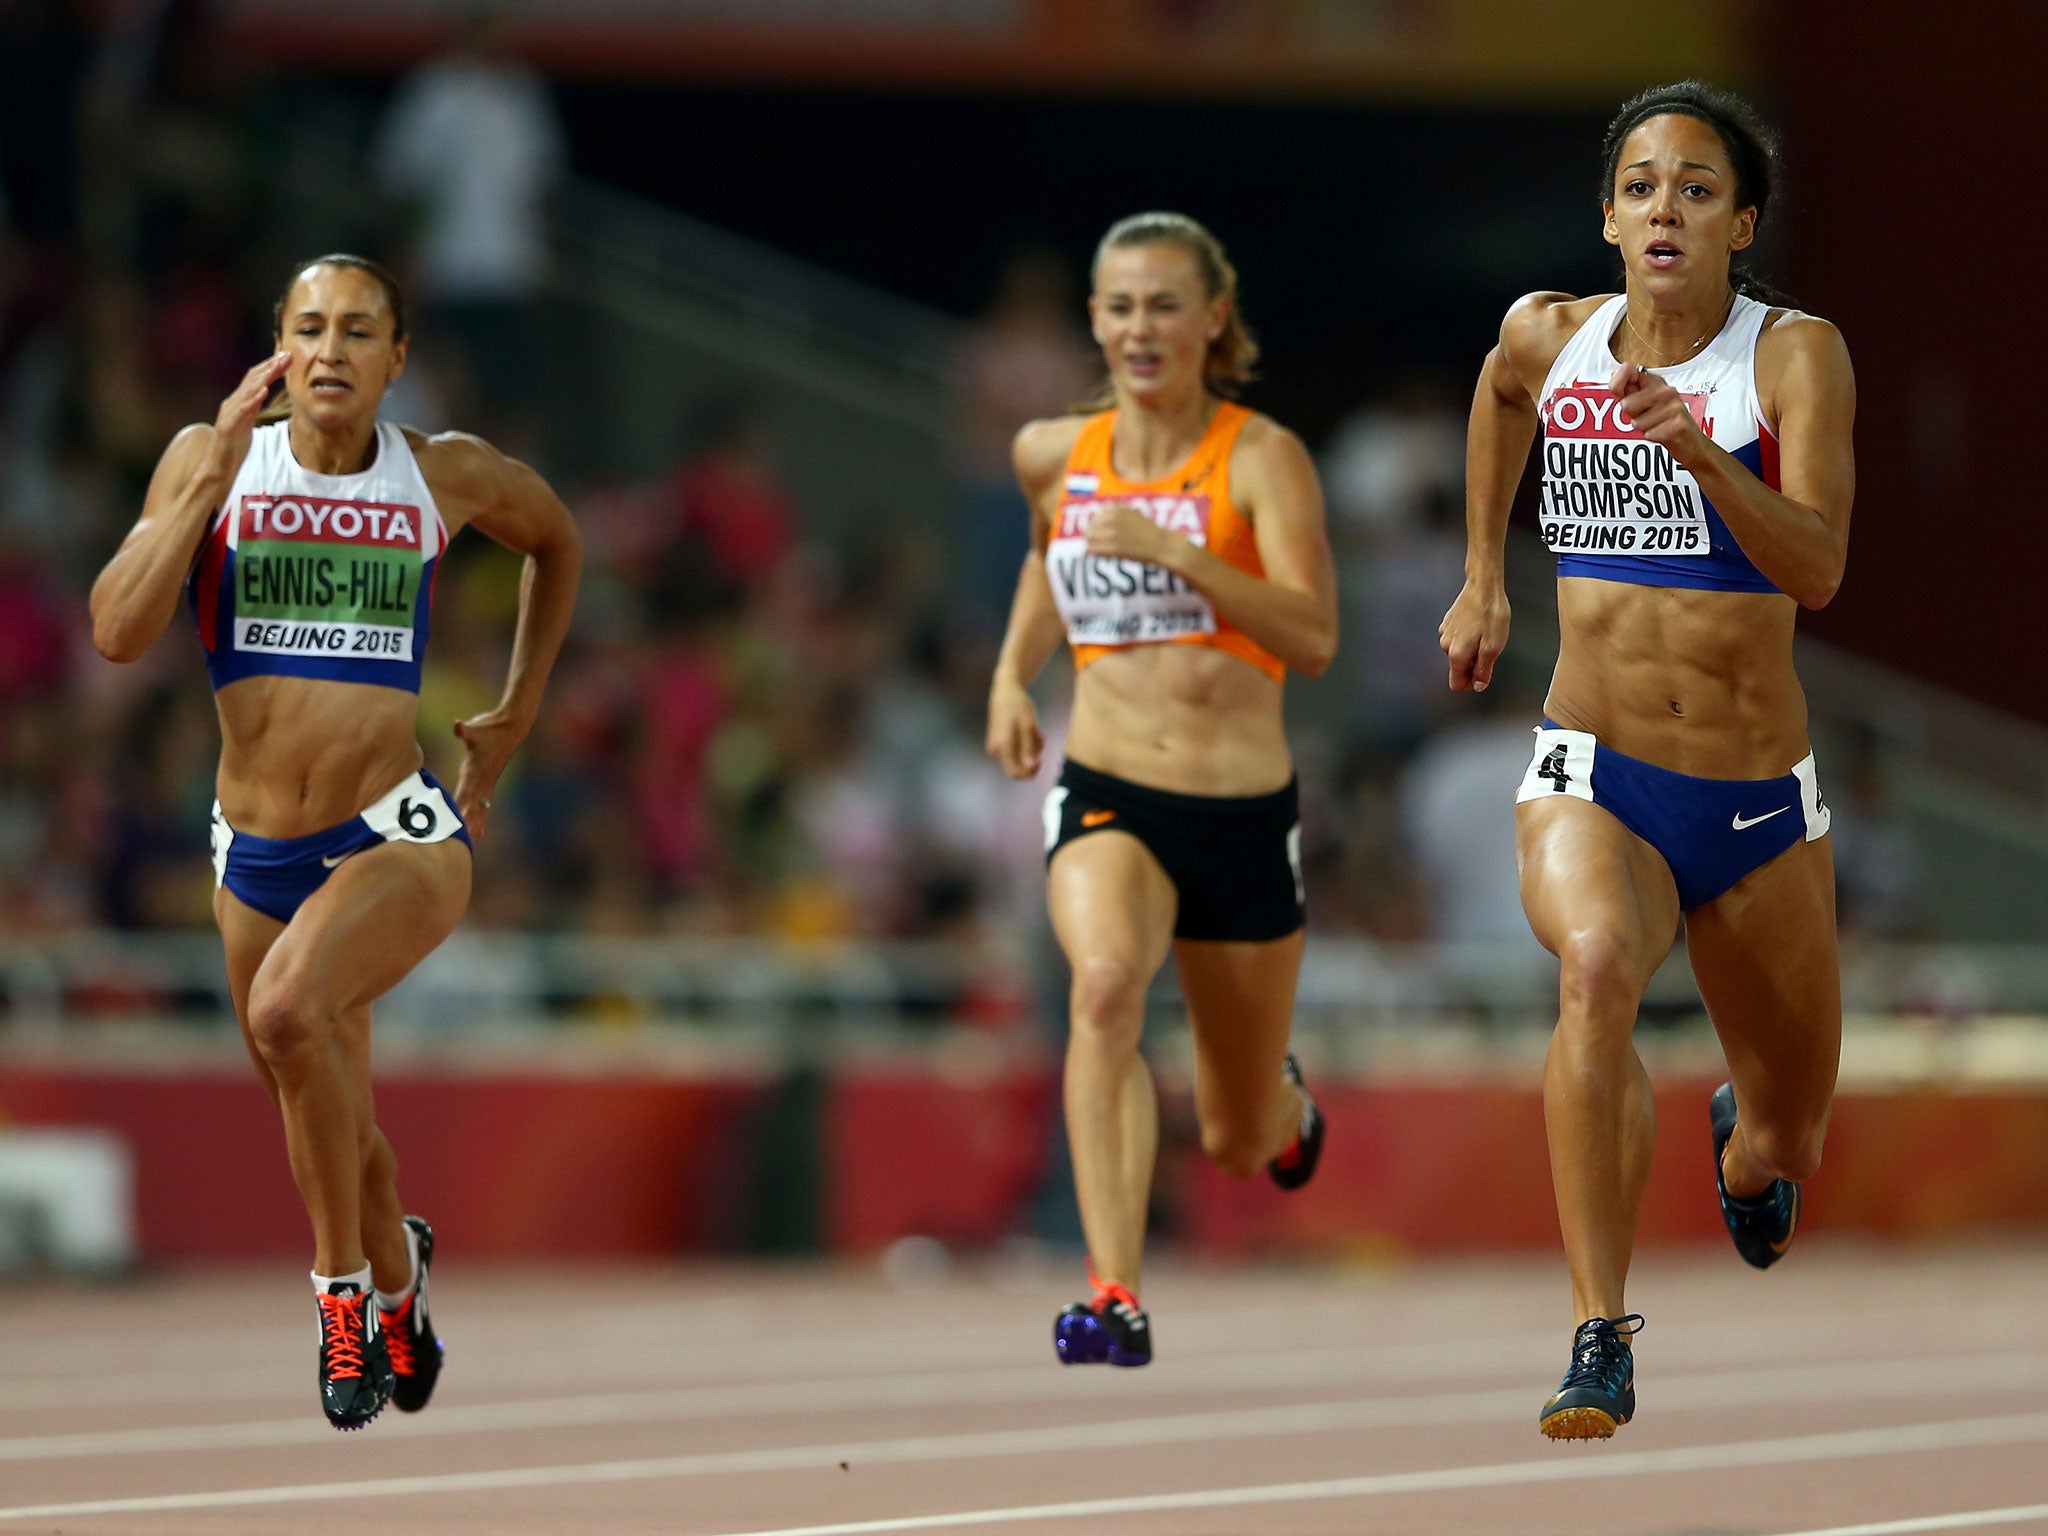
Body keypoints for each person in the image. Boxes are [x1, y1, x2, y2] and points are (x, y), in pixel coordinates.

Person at [89, 254, 582, 1429]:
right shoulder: (214, 462)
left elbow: (556, 541)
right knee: (342, 1129)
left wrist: (518, 705)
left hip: (394, 835)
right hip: (253, 855)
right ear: (277, 345)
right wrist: (202, 482)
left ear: (395, 359)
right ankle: (402, 1280)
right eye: (310, 327)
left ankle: (343, 1304)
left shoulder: (440, 474)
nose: (331, 351)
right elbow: (115, 630)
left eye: (360, 331)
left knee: (282, 1016)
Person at [1438, 81, 1855, 1439]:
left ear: (1742, 222)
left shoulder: (1791, 357)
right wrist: (1482, 580)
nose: (1663, 208)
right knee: (1597, 968)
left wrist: (1704, 458)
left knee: (1792, 1140)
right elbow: (1500, 399)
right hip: (1596, 765)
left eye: (1693, 188)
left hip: (1755, 807)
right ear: (1607, 218)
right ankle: (1597, 1334)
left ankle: (1747, 1152)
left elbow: (1821, 568)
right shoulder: (1549, 337)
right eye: (1639, 186)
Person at [986, 211, 1338, 1366]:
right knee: (1098, 990)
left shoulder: (1257, 457)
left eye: (1165, 305)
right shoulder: (1053, 451)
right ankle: (1114, 1293)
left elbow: (1314, 634)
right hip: (1109, 790)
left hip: (1238, 814)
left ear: (1211, 319)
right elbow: (1048, 557)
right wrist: (1008, 676)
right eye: (1120, 306)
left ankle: (1280, 1098)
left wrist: (1186, 554)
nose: (1142, 327)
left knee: (1239, 1140)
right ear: (1094, 321)